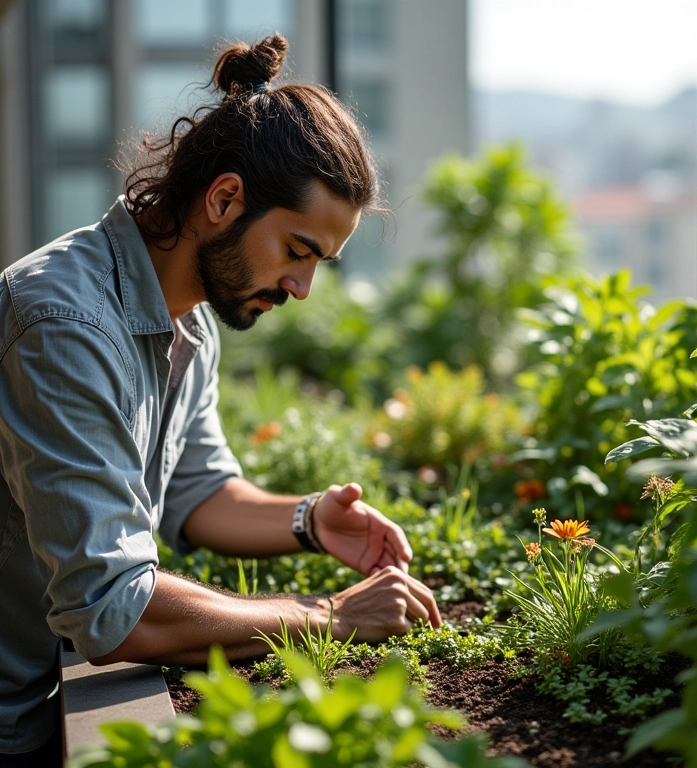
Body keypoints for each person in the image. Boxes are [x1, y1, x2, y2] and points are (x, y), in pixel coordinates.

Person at [0, 34, 440, 764]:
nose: (302, 289)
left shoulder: (190, 319)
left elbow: (196, 492)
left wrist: (308, 520)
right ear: (225, 199)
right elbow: (115, 611)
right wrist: (328, 615)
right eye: (298, 251)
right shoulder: (63, 325)